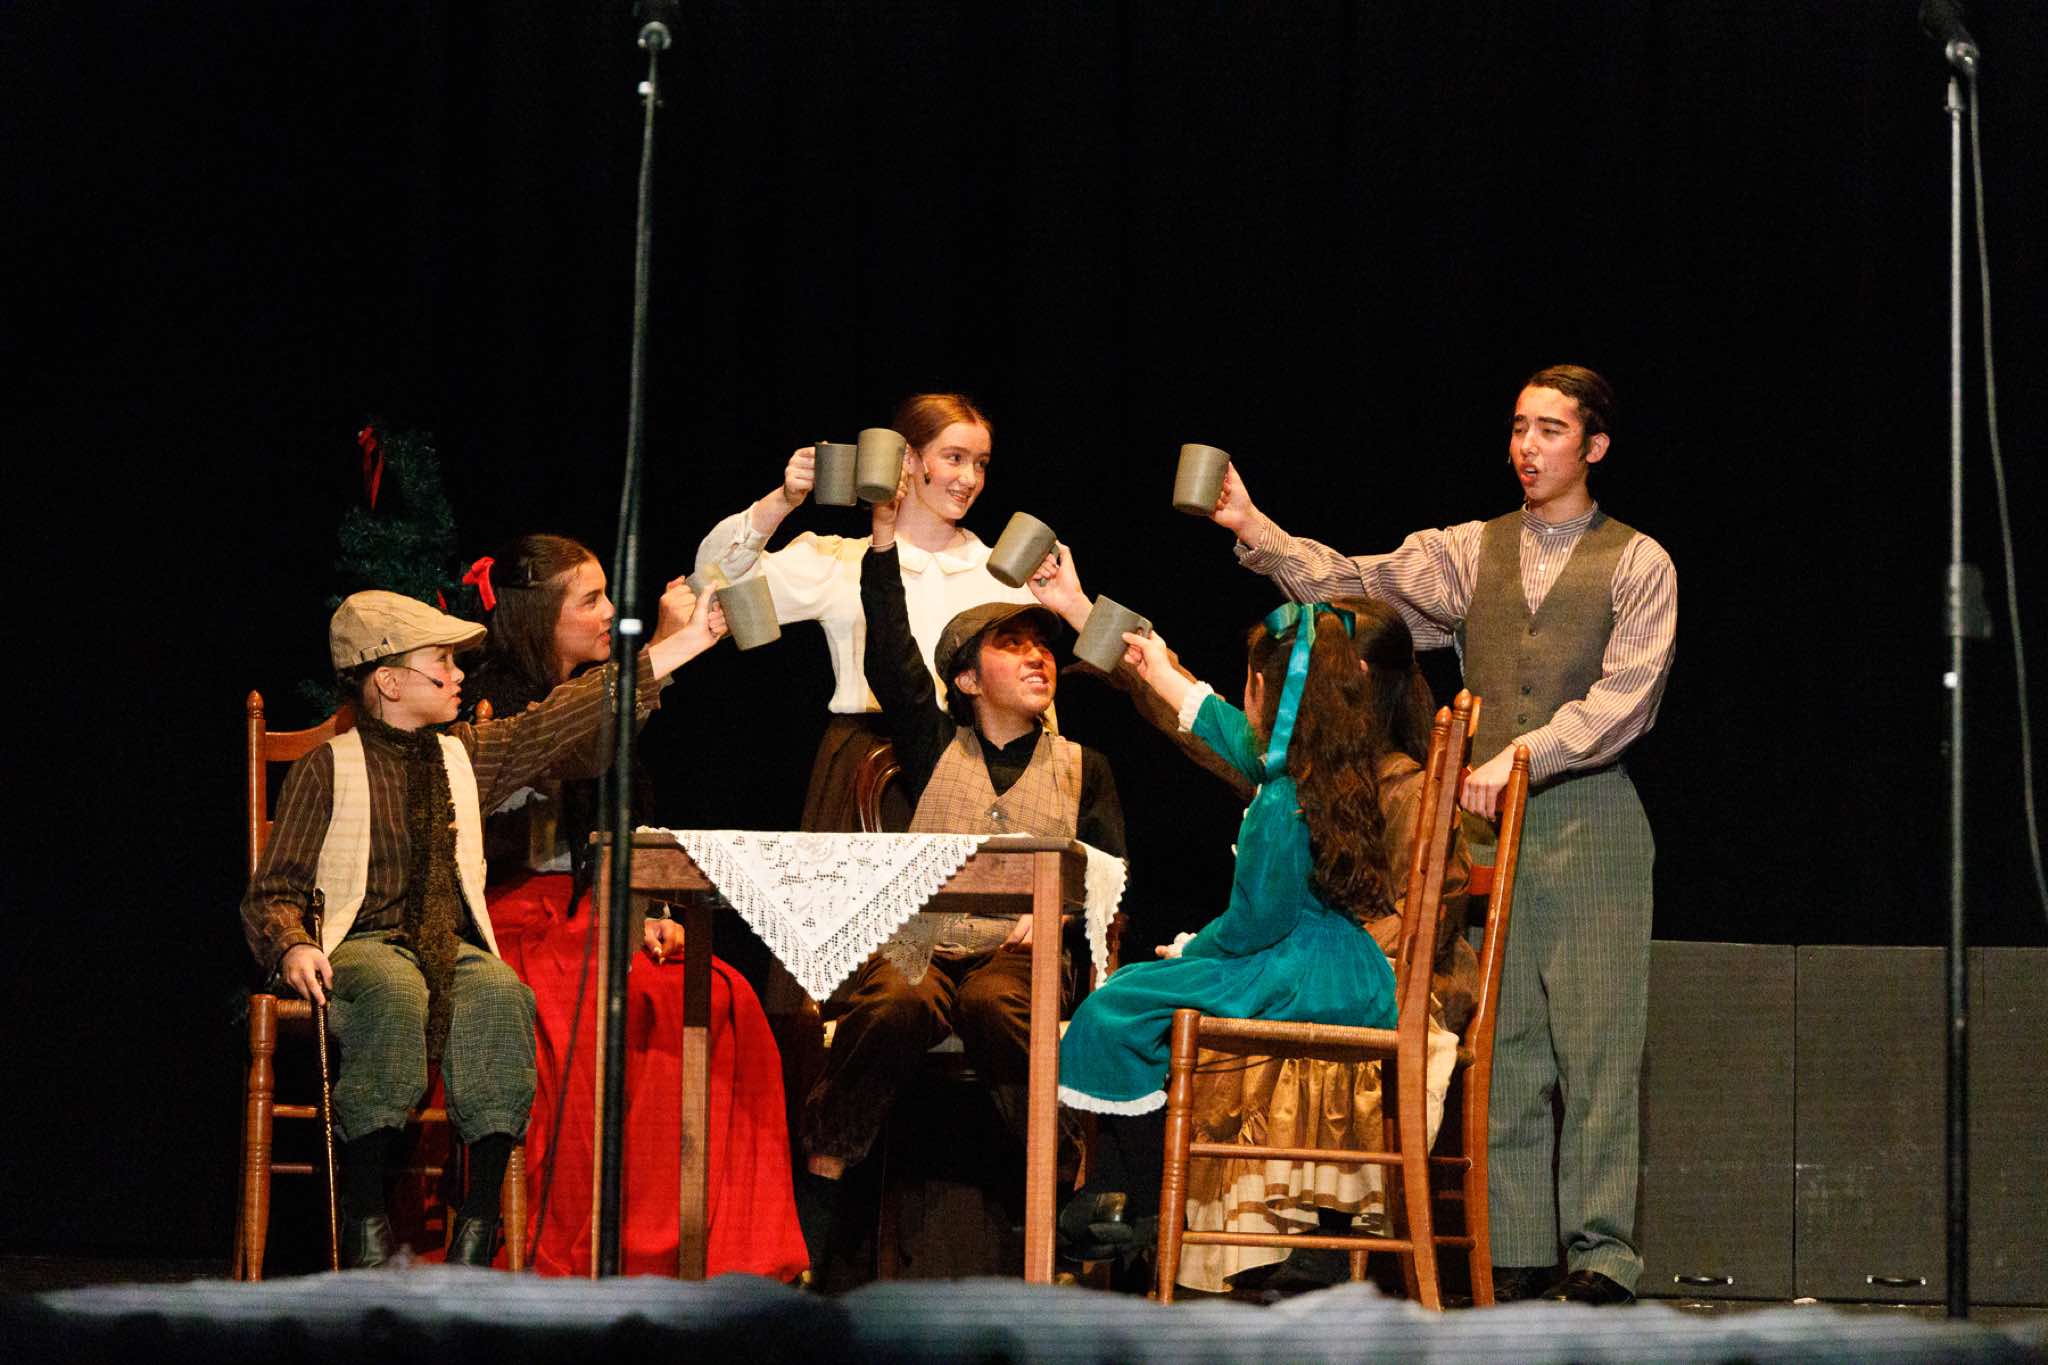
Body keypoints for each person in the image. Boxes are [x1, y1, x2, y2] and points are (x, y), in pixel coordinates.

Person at [1215, 363, 1677, 1305]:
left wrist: (1526, 754)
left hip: (1588, 817)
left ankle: (1600, 1255)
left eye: (1551, 430)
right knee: (1501, 1046)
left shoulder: (1638, 562)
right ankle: (1513, 1250)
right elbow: (1360, 587)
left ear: (1594, 445)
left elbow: (1626, 696)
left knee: (1596, 1046)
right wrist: (1258, 532)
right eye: (1519, 427)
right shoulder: (1474, 549)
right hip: (1484, 824)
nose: (1527, 447)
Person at [241, 581, 724, 1269]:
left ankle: (479, 1218)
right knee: (393, 988)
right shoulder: (329, 768)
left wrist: (676, 648)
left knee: (501, 993)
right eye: (441, 661)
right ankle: (366, 1212)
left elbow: (556, 721)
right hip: (360, 944)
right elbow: (274, 888)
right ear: (388, 681)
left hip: (447, 945)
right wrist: (292, 943)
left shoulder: (463, 755)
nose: (460, 673)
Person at [792, 472, 1127, 1265]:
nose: (1038, 656)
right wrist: (882, 542)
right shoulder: (935, 742)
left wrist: (1056, 914)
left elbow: (1110, 875)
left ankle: (1058, 1173)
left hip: (1020, 951)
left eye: (1042, 646)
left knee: (993, 1003)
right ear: (969, 679)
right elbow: (891, 651)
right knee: (895, 999)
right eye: (1013, 646)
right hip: (926, 939)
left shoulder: (1085, 765)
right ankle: (826, 1172)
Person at [460, 534, 806, 1280]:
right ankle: (591, 1247)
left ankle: (713, 1249)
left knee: (718, 995)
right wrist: (667, 651)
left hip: (596, 910)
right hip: (507, 916)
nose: (610, 612)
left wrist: (650, 910)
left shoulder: (593, 695)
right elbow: (565, 739)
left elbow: (627, 818)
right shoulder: (489, 703)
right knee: (591, 1013)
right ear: (537, 615)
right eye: (590, 600)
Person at [1051, 602, 1402, 1280]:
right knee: (1140, 990)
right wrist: (1158, 670)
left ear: (1264, 689)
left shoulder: (1281, 800)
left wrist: (1191, 948)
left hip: (1293, 969)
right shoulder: (1322, 763)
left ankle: (1140, 1196)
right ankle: (1119, 1194)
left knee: (1120, 1003)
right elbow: (1229, 730)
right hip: (1341, 967)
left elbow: (1253, 924)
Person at [691, 392, 1039, 832]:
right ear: (908, 458)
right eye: (954, 458)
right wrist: (782, 500)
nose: (969, 478)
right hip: (869, 768)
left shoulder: (1002, 577)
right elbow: (712, 578)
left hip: (975, 768)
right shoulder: (840, 562)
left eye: (981, 463)